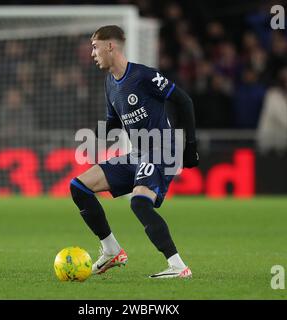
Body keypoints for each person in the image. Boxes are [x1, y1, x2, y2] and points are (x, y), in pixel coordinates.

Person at [69, 25, 199, 278]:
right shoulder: (110, 83)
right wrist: (95, 137)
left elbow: (184, 100)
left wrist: (190, 146)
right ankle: (111, 251)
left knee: (140, 202)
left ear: (110, 46)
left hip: (162, 149)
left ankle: (178, 266)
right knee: (79, 186)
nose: (92, 53)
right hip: (140, 153)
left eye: (95, 47)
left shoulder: (144, 76)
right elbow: (114, 124)